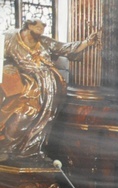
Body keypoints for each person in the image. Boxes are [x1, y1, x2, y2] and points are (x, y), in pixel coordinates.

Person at [0, 19, 100, 164]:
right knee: (24, 114)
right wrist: (7, 67)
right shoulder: (9, 38)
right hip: (28, 86)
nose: (41, 32)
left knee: (46, 120)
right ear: (28, 26)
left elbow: (65, 48)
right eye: (38, 28)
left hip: (51, 88)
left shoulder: (44, 41)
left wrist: (87, 42)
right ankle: (8, 149)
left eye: (43, 29)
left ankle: (30, 150)